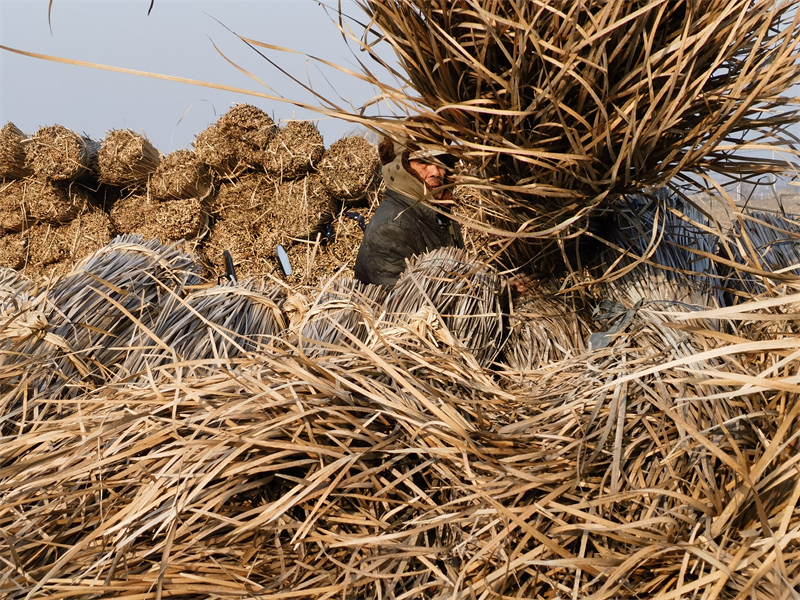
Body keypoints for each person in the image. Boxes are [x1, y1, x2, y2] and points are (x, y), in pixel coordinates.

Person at [354, 132, 463, 288]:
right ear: (401, 169)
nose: (436, 172)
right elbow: (404, 303)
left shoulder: (441, 216)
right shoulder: (389, 229)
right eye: (423, 162)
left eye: (440, 161)